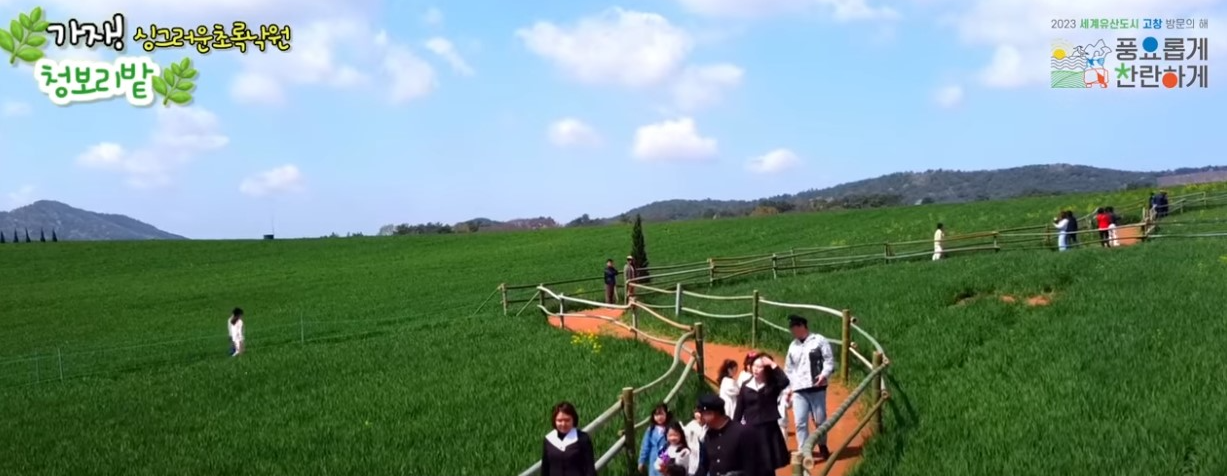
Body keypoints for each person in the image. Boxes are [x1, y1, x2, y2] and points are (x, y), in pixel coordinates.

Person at [783, 315, 834, 460]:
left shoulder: (819, 340)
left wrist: (824, 374)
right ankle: (804, 452)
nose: (793, 332)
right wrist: (791, 386)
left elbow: (829, 360)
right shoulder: (793, 346)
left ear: (802, 326)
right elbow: (789, 368)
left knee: (819, 420)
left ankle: (822, 444)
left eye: (794, 328)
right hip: (799, 389)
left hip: (817, 387)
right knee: (800, 422)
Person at [732, 353, 791, 472]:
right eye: (754, 365)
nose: (756, 369)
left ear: (766, 369)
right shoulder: (745, 386)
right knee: (750, 467)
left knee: (768, 468)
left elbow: (784, 382)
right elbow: (739, 411)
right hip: (751, 431)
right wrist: (733, 431)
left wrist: (772, 363)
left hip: (768, 432)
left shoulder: (773, 385)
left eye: (760, 366)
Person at [693, 393, 768, 476]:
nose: (700, 419)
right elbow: (703, 467)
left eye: (702, 414)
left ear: (712, 414)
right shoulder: (707, 436)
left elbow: (753, 467)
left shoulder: (742, 432)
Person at [542, 401, 597, 476]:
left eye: (567, 420)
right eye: (559, 420)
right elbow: (545, 468)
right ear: (554, 421)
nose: (563, 424)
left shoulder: (582, 439)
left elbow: (589, 468)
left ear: (573, 419)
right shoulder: (549, 439)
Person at [639, 403, 672, 476]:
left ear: (666, 414)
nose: (659, 417)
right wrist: (642, 461)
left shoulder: (670, 429)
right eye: (656, 415)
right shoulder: (650, 430)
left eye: (661, 414)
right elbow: (645, 446)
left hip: (666, 457)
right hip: (653, 458)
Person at [683, 411, 706, 476]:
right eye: (698, 412)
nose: (700, 415)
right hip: (693, 459)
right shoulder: (691, 426)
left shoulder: (707, 427)